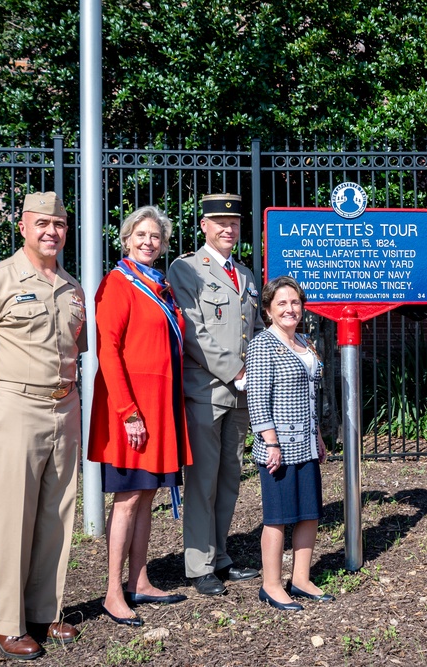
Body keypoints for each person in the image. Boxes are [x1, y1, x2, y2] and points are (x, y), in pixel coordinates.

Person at [0, 192, 86, 660]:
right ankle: (5, 621)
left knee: (57, 515)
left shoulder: (73, 288)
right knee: (12, 518)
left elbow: (76, 350)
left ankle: (43, 611)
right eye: (42, 223)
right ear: (24, 228)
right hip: (14, 404)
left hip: (65, 408)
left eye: (60, 224)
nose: (52, 231)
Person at [88, 206, 193, 626]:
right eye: (141, 235)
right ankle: (113, 592)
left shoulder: (161, 286)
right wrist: (128, 411)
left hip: (160, 406)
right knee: (129, 499)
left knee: (146, 496)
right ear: (127, 239)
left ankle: (140, 579)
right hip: (130, 411)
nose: (149, 242)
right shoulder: (118, 283)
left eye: (156, 237)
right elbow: (107, 350)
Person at [168, 193, 265, 597]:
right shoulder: (186, 269)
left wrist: (264, 367)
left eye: (234, 223)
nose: (228, 229)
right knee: (203, 480)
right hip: (206, 391)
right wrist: (237, 370)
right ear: (204, 226)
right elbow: (192, 330)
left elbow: (255, 329)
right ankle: (198, 563)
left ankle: (220, 555)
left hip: (241, 394)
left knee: (229, 479)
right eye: (220, 223)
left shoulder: (245, 275)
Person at [245, 276, 331, 611]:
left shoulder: (306, 342)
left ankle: (301, 578)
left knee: (309, 513)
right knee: (278, 517)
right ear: (268, 309)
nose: (289, 309)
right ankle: (271, 585)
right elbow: (257, 400)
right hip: (278, 447)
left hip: (307, 443)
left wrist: (320, 437)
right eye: (281, 303)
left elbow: (312, 396)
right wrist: (271, 443)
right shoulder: (262, 345)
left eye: (294, 302)